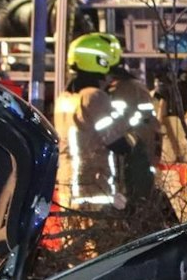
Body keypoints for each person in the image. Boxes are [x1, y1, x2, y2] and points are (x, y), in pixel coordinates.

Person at [52, 32, 133, 208]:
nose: (111, 78)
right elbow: (120, 144)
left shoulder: (63, 99)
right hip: (96, 190)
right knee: (101, 236)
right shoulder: (94, 97)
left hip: (69, 190)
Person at [105, 62, 162, 207]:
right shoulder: (136, 87)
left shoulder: (126, 89)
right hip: (133, 147)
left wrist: (128, 136)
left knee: (134, 194)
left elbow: (144, 120)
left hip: (132, 149)